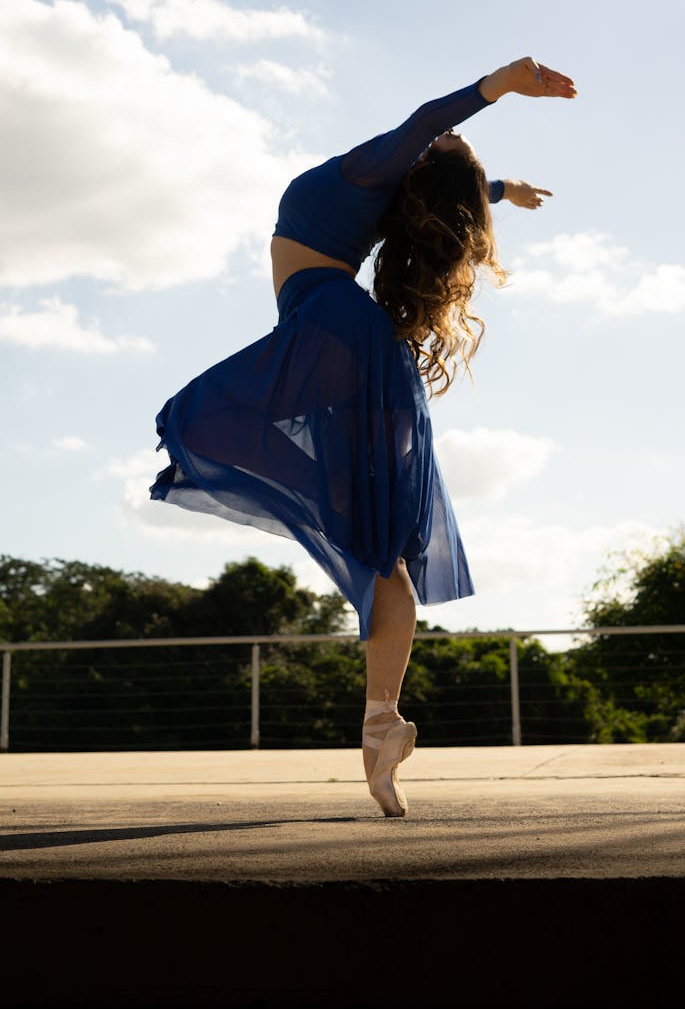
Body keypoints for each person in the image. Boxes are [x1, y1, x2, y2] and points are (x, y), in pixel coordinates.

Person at [151, 55, 577, 816]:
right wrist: (503, 190)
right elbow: (452, 190)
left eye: (446, 141)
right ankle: (382, 722)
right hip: (355, 345)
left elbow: (422, 122)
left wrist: (497, 86)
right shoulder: (398, 196)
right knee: (382, 558)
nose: (440, 136)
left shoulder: (375, 168)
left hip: (330, 328)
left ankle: (376, 688)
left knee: (193, 419)